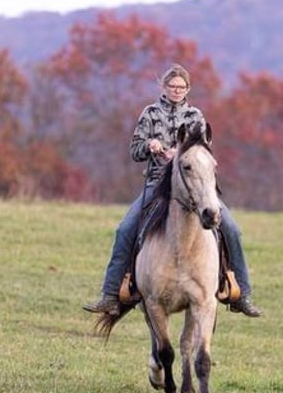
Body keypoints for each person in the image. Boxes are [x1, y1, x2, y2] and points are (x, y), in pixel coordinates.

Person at [83, 63, 262, 318]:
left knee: (231, 228)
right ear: (164, 87)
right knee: (125, 229)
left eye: (181, 87)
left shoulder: (196, 117)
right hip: (157, 184)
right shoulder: (150, 113)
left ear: (188, 89)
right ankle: (112, 294)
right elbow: (134, 150)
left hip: (194, 185)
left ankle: (240, 293)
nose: (176, 90)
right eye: (172, 86)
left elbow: (203, 150)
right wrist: (150, 145)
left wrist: (178, 155)